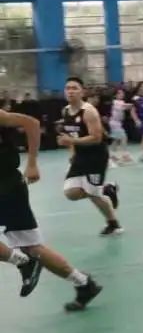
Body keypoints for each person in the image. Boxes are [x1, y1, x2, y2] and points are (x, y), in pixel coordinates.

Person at [0, 108, 103, 310]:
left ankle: (23, 262)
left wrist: (32, 163)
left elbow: (32, 123)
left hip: (8, 187)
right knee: (32, 247)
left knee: (31, 249)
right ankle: (83, 283)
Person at [58, 77, 121, 236]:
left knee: (94, 194)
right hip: (80, 155)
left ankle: (113, 224)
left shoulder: (89, 111)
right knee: (71, 193)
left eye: (74, 88)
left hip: (96, 157)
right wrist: (72, 151)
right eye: (68, 88)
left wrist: (71, 141)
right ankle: (106, 189)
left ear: (82, 92)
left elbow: (96, 138)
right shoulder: (65, 111)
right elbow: (69, 135)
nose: (70, 91)